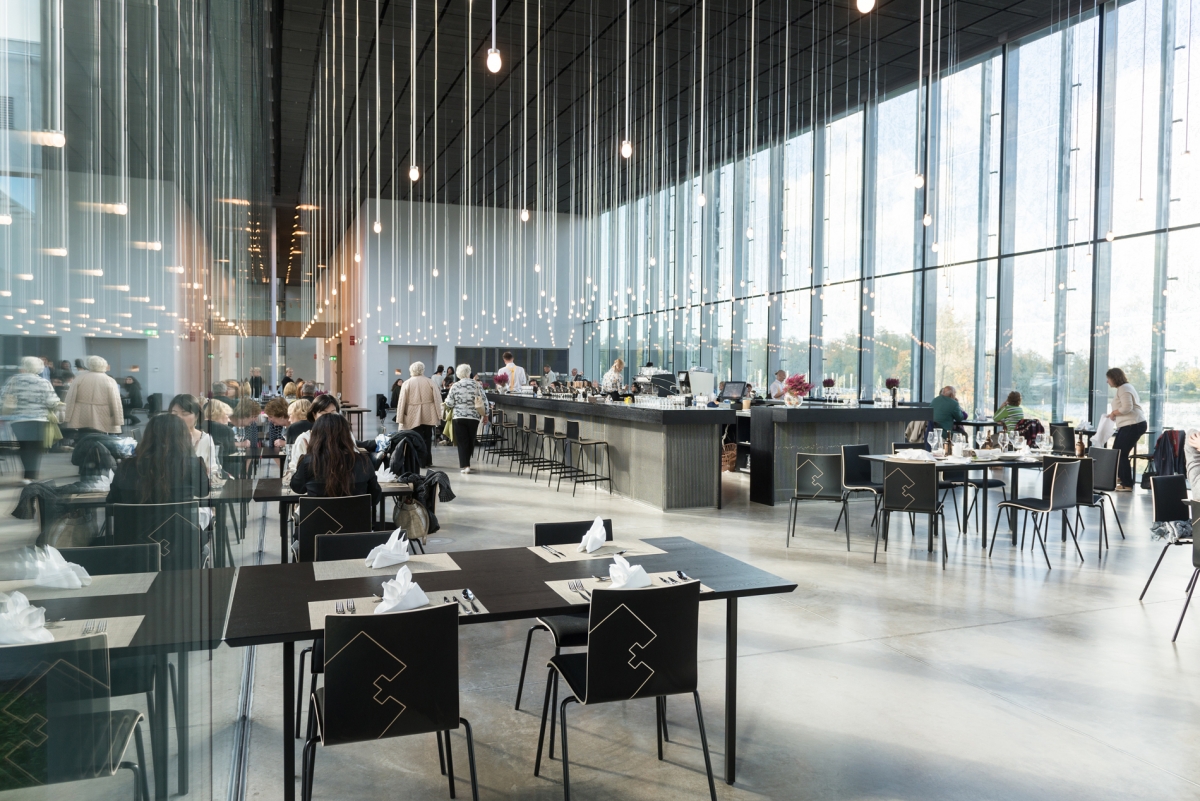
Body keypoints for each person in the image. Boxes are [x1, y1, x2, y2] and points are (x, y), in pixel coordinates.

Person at [107, 413, 209, 505]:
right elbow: (203, 492)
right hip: (178, 520)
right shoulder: (190, 465)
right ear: (183, 438)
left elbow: (111, 502)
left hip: (136, 520)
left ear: (147, 437)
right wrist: (190, 451)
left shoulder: (127, 466)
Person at [289, 414, 381, 504]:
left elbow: (297, 488)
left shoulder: (309, 462)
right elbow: (375, 498)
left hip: (319, 514)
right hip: (355, 514)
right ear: (347, 436)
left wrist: (307, 456)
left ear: (317, 436)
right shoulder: (363, 461)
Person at [0, 356, 62, 481]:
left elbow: (2, 398)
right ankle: (31, 476)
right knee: (35, 448)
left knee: (23, 447)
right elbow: (52, 402)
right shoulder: (43, 382)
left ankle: (27, 475)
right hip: (38, 419)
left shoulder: (13, 380)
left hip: (18, 419)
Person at [1105, 367, 1147, 490]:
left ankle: (1127, 483)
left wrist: (1114, 413)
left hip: (1133, 424)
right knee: (1117, 451)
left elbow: (1127, 408)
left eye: (1108, 378)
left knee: (1121, 453)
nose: (1107, 381)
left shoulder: (1124, 388)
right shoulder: (1124, 388)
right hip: (1129, 424)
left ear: (1114, 378)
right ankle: (1122, 477)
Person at [63, 355, 124, 436]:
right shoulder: (110, 380)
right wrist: (117, 419)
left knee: (83, 436)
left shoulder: (79, 378)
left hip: (81, 412)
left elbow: (70, 398)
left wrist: (67, 415)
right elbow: (115, 401)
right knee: (101, 436)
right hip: (103, 412)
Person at [285, 394, 340, 479]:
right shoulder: (304, 439)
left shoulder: (345, 436)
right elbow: (295, 469)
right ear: (314, 415)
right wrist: (309, 459)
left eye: (333, 413)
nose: (329, 418)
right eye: (324, 413)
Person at [396, 361, 441, 465]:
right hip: (429, 412)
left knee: (416, 437)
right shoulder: (430, 382)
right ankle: (428, 460)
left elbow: (402, 401)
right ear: (423, 370)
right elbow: (437, 399)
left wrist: (400, 417)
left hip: (412, 413)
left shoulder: (407, 383)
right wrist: (439, 414)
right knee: (428, 437)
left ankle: (419, 461)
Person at [445, 364, 485, 473]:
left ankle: (465, 465)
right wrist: (486, 415)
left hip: (459, 417)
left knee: (462, 441)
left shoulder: (455, 386)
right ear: (469, 373)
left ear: (458, 374)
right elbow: (484, 400)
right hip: (474, 417)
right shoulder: (477, 385)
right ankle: (467, 462)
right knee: (471, 440)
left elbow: (449, 403)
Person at [168, 393, 219, 475]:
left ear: (197, 416)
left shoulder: (205, 439)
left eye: (185, 414)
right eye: (175, 413)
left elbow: (212, 469)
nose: (179, 418)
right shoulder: (164, 437)